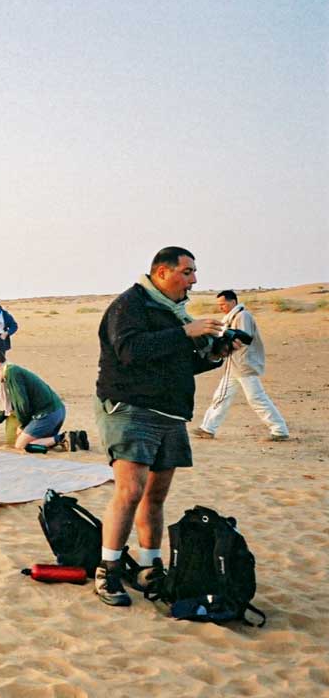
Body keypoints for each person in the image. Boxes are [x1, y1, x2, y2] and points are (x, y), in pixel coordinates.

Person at [93, 247, 238, 607]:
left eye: (194, 272)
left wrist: (215, 354)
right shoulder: (130, 305)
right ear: (161, 272)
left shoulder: (174, 313)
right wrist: (186, 331)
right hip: (130, 408)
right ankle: (107, 570)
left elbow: (176, 364)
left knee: (155, 496)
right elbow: (129, 350)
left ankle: (148, 564)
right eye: (187, 272)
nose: (194, 280)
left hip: (170, 414)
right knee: (129, 490)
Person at [194, 290, 289, 441]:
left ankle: (279, 430)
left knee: (256, 398)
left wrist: (224, 341)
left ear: (232, 302)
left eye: (223, 304)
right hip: (236, 364)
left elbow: (244, 337)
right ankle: (207, 428)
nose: (221, 307)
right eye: (219, 305)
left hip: (242, 363)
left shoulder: (242, 316)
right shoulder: (234, 316)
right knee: (222, 396)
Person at [0, 349, 83, 452]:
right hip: (57, 411)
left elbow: (21, 403)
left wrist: (23, 425)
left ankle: (62, 438)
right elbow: (9, 407)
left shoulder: (11, 372)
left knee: (21, 445)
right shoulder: (9, 372)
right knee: (38, 442)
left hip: (48, 413)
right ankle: (76, 438)